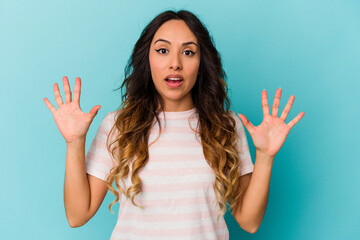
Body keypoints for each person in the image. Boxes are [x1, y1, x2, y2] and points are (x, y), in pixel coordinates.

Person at [43, 9, 304, 240]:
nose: (175, 63)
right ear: (147, 60)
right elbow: (77, 215)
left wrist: (266, 157)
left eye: (188, 52)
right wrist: (75, 142)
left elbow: (249, 222)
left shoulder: (226, 126)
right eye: (163, 50)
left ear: (202, 64)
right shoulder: (118, 125)